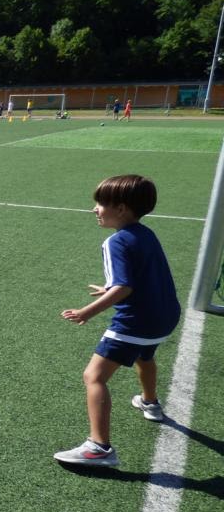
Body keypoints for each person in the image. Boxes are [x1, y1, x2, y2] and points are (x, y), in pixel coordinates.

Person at [54, 174, 180, 468]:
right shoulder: (146, 233)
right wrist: (109, 288)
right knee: (145, 357)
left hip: (136, 322)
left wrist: (88, 311)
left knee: (93, 377)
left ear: (121, 208)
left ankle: (99, 447)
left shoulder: (115, 242)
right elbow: (141, 277)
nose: (95, 209)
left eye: (100, 203)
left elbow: (125, 288)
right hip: (165, 317)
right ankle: (150, 403)